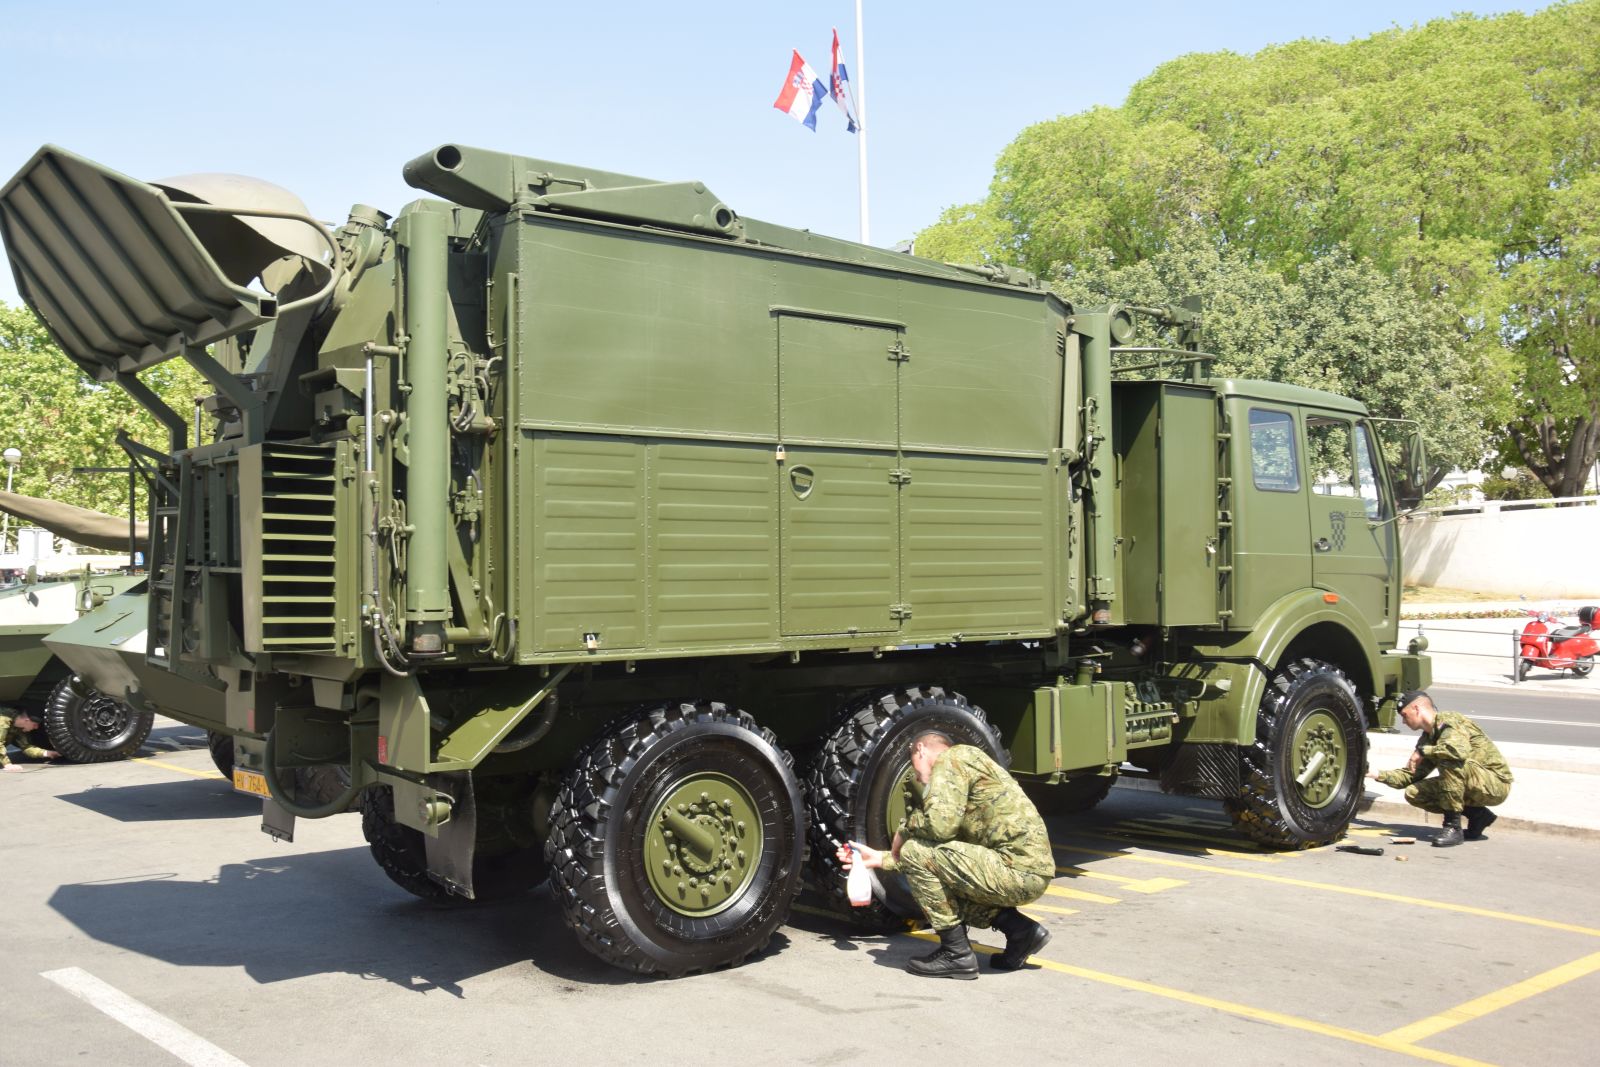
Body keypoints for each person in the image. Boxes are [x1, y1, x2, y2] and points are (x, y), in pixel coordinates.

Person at [837, 730, 1055, 979]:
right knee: (939, 876)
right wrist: (880, 859)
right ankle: (1021, 932)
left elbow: (940, 827)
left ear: (921, 750)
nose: (917, 778)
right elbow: (942, 855)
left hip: (1015, 869)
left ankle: (956, 953)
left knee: (914, 850)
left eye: (914, 768)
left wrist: (905, 830)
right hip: (1023, 871)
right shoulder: (968, 766)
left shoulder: (951, 758)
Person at [1367, 690, 1512, 847]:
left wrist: (1424, 751)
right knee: (1414, 793)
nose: (1403, 721)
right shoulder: (1427, 738)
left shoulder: (1449, 720)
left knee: (1449, 761)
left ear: (1416, 708)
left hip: (1495, 783)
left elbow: (1457, 752)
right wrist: (1374, 774)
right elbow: (1410, 776)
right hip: (1473, 784)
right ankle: (1478, 816)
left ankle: (1452, 827)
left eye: (1404, 715)